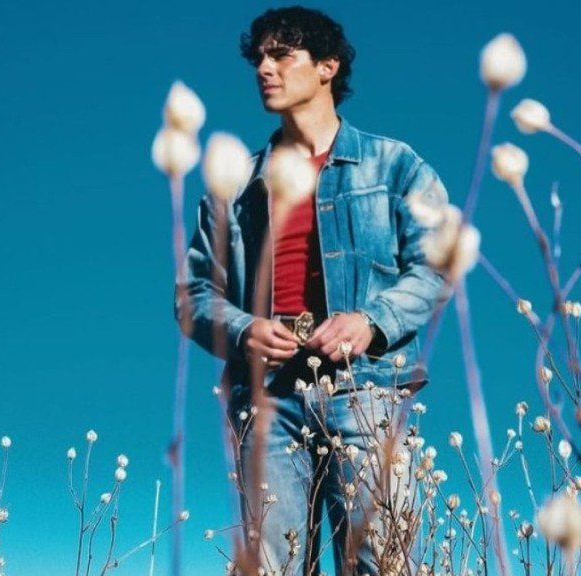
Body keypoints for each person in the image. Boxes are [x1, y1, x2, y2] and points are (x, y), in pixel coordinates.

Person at [178, 6, 449, 575]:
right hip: (267, 394)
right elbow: (194, 293)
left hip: (365, 386)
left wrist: (370, 322)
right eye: (259, 58)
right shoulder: (235, 184)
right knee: (270, 566)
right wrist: (243, 329)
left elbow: (436, 265)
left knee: (381, 563)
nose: (264, 69)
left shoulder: (394, 164)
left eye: (282, 55)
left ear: (328, 67)